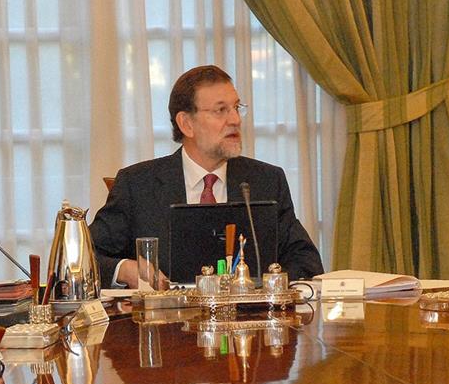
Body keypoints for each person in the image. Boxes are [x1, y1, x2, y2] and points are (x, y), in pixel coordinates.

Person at [91, 65, 324, 287]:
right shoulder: (137, 185)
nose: (235, 120)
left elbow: (306, 262)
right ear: (186, 123)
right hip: (168, 325)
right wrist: (125, 269)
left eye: (236, 107)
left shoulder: (266, 180)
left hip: (248, 324)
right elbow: (85, 259)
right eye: (221, 110)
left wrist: (265, 285)